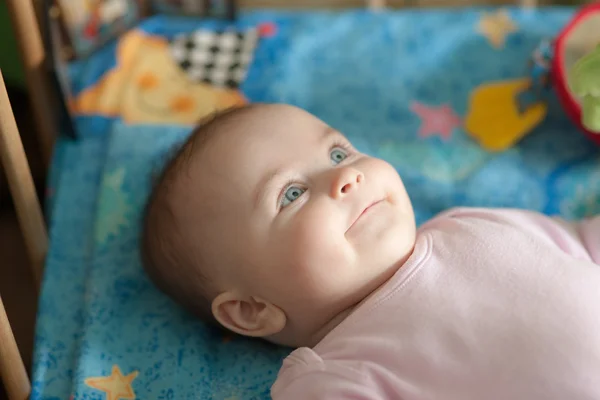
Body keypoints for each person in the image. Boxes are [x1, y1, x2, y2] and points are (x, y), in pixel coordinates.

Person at [141, 103, 600, 399]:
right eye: (292, 194)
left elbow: (582, 242)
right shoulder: (335, 374)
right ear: (250, 308)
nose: (346, 177)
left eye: (338, 154)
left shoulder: (468, 223)